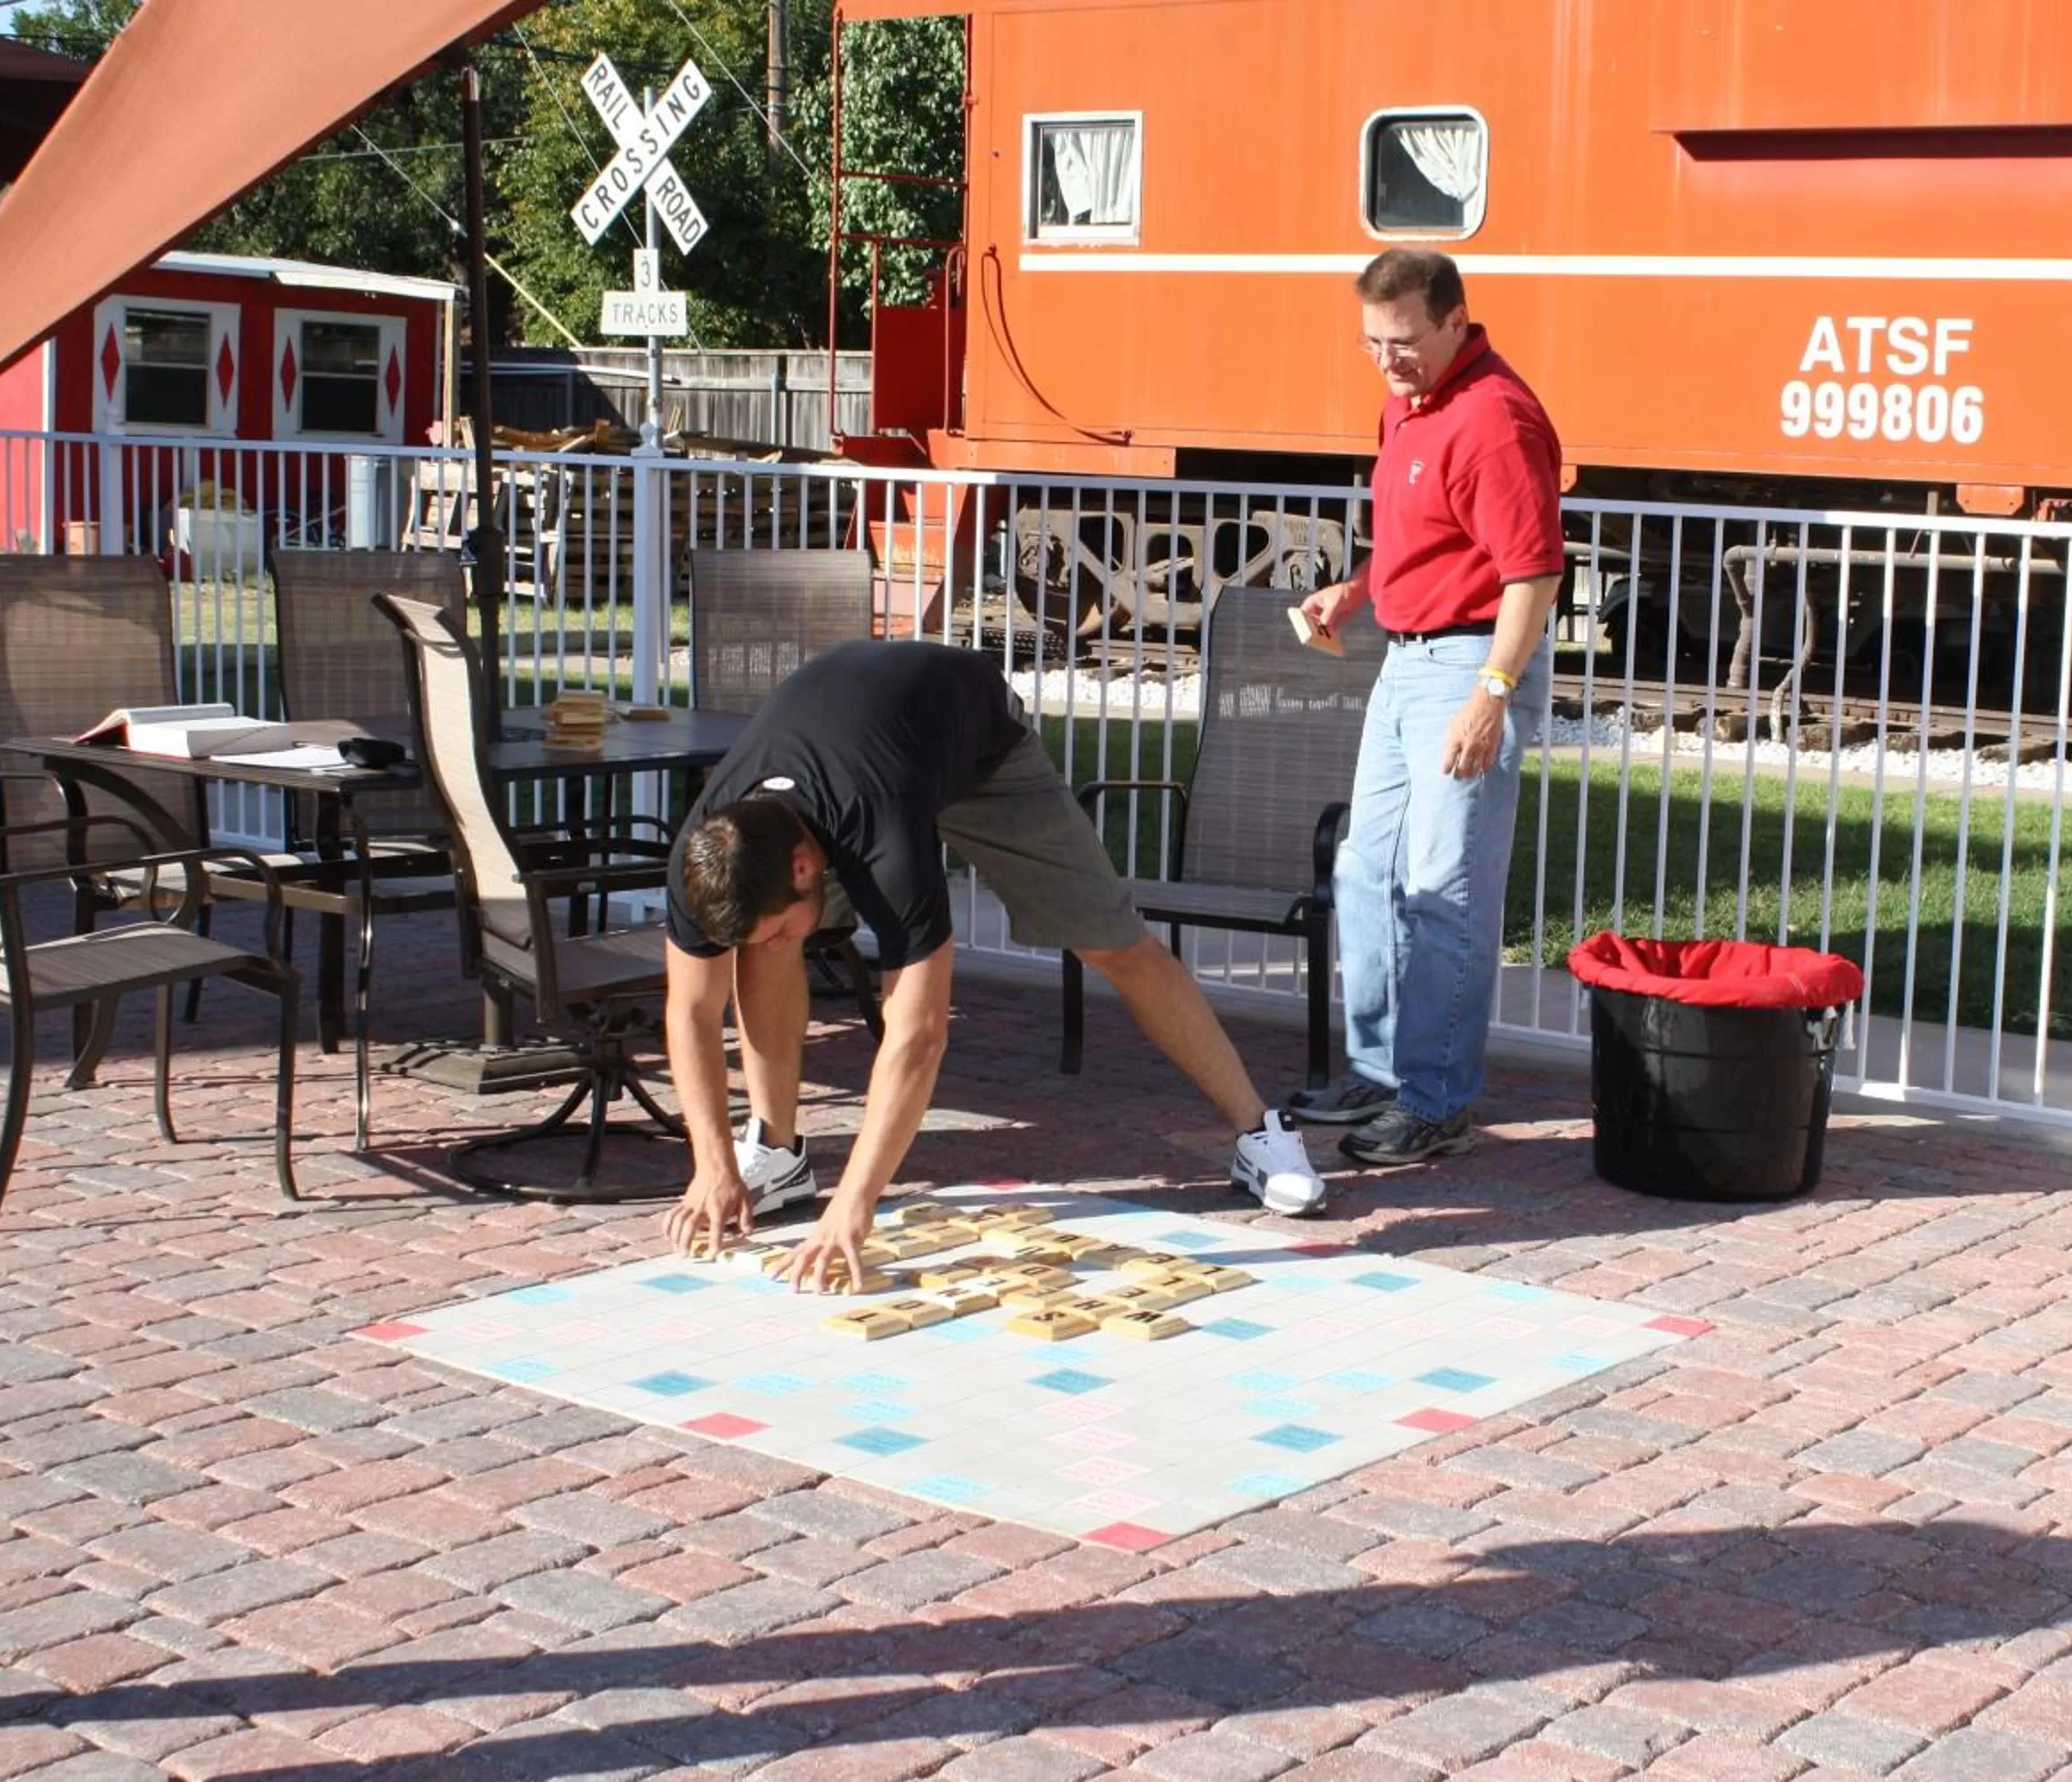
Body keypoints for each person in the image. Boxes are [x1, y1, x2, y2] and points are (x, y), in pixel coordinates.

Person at [658, 640, 1330, 1288]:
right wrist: (711, 1164)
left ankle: (1259, 1133)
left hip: (976, 745)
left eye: (778, 927)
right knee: (762, 946)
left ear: (805, 868)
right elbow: (690, 1010)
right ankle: (775, 1154)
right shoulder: (709, 850)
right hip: (861, 754)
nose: (775, 943)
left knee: (1114, 942)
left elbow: (918, 1035)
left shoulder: (881, 831)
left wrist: (854, 1205)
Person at [1293, 248, 1564, 1165]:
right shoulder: (1408, 403)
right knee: (1366, 874)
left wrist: (1490, 695)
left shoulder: (1497, 420)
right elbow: (1427, 537)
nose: (1387, 359)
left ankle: (1437, 1099)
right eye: (1372, 342)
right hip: (1402, 660)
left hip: (1468, 665)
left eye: (1403, 341)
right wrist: (1356, 591)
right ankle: (1380, 1070)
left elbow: (1532, 573)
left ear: (1454, 319)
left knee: (1444, 891)